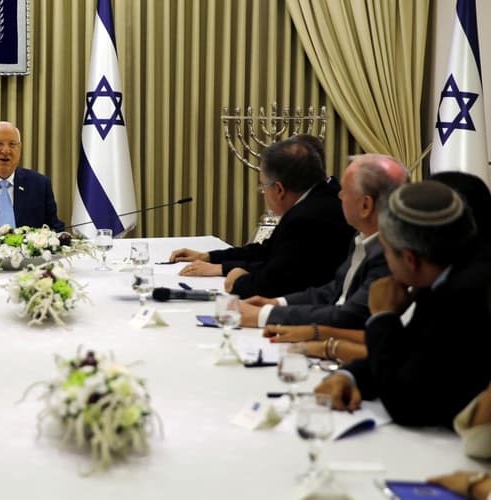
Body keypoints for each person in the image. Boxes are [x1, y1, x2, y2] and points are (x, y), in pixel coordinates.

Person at [315, 181, 491, 427]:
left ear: (410, 259)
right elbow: (408, 354)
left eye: (386, 251)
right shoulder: (447, 273)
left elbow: (408, 403)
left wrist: (382, 317)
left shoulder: (466, 295)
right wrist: (350, 376)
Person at [170, 136, 354, 298]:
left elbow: (271, 284)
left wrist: (237, 280)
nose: (263, 193)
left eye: (263, 186)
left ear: (279, 189)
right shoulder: (320, 198)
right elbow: (266, 251)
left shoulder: (305, 218)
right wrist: (209, 256)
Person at [240, 154, 407, 328]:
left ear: (365, 206)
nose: (339, 196)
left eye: (345, 191)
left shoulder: (388, 253)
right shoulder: (362, 236)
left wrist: (266, 315)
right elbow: (335, 291)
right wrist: (278, 303)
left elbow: (349, 316)